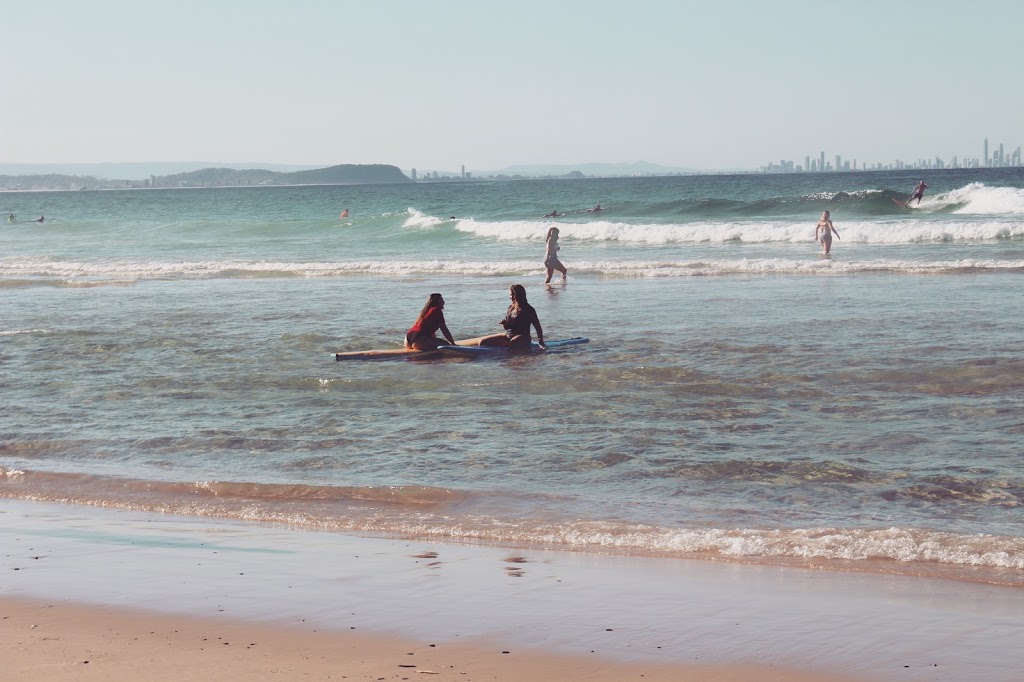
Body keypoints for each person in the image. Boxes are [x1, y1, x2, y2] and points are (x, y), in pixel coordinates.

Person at [479, 284, 546, 351]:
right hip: (509, 336)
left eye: (511, 295)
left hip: (523, 337)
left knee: (513, 343)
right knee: (482, 342)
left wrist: (541, 341)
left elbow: (537, 327)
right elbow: (508, 327)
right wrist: (504, 324)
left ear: (517, 295)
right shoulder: (510, 308)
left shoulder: (528, 309)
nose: (509, 297)